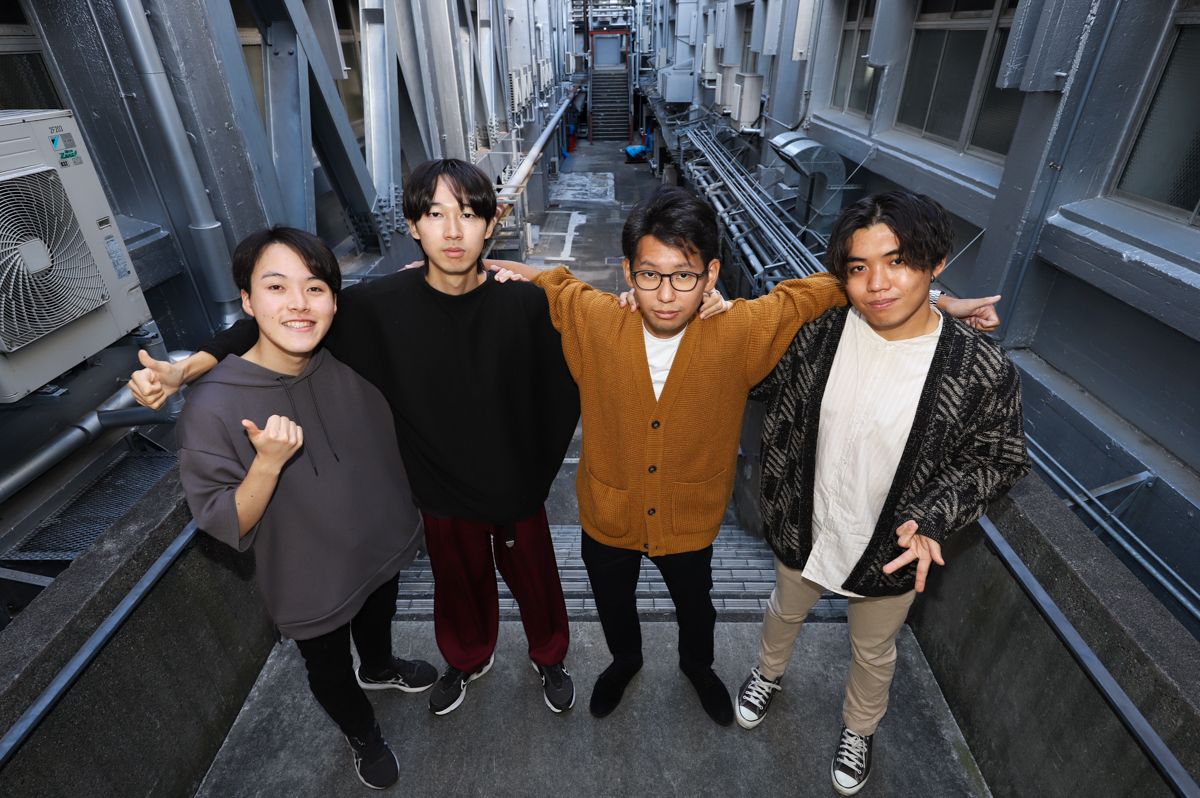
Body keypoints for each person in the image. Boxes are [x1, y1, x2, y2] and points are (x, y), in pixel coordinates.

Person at [486, 186, 1002, 727]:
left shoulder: (739, 329)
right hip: (607, 515)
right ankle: (625, 661)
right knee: (613, 603)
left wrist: (939, 302)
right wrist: (468, 269)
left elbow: (834, 286)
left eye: (684, 276)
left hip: (691, 521)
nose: (666, 294)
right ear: (627, 273)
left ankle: (698, 666)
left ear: (711, 274)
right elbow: (545, 281)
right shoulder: (594, 320)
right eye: (649, 275)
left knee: (697, 607)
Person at [131, 159, 584, 717]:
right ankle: (467, 659)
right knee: (458, 589)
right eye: (434, 214)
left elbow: (572, 369)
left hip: (516, 488)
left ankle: (549, 656)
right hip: (442, 493)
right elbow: (277, 319)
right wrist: (186, 368)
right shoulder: (377, 305)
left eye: (468, 215)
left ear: (491, 224)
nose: (452, 231)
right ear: (412, 226)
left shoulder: (525, 302)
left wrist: (535, 473)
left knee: (538, 582)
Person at [731, 191, 1030, 796]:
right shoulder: (819, 333)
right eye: (858, 267)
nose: (877, 284)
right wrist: (712, 313)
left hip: (891, 547)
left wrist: (934, 515)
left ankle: (859, 729)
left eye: (898, 262)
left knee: (873, 650)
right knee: (783, 609)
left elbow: (997, 457)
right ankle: (767, 673)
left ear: (936, 262)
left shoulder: (979, 370)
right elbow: (752, 373)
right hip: (803, 521)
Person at [174, 226, 436, 790]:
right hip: (309, 575)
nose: (298, 303)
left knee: (378, 617)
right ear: (247, 301)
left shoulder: (348, 355)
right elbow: (226, 521)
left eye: (314, 287)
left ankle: (380, 667)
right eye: (276, 287)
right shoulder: (211, 407)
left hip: (382, 540)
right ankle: (363, 732)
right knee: (328, 668)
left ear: (334, 301)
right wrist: (266, 464)